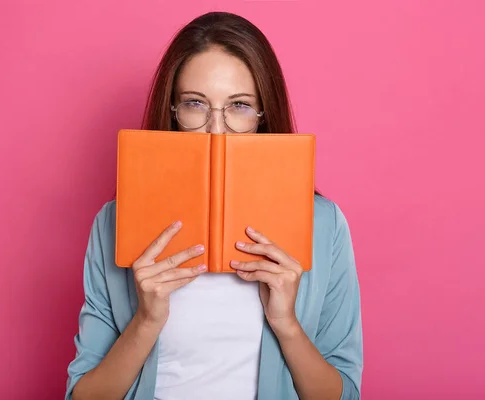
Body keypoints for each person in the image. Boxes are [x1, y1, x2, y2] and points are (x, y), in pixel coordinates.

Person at [65, 11, 363, 400]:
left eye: (239, 106)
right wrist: (146, 320)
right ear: (172, 113)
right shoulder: (114, 223)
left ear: (263, 114)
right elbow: (81, 396)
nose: (216, 129)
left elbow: (347, 395)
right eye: (195, 104)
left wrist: (286, 323)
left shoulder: (323, 225)